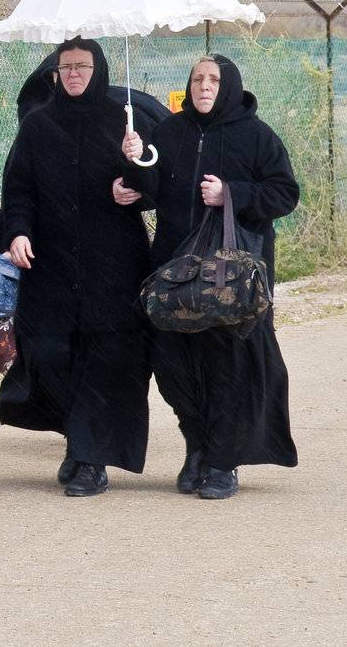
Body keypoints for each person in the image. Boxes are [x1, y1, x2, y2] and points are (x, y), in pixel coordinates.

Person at [123, 54, 300, 500]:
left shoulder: (256, 136)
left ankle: (223, 462)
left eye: (214, 80)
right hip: (174, 272)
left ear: (230, 86)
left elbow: (284, 193)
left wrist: (232, 194)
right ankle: (197, 447)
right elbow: (152, 187)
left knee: (228, 367)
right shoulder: (169, 132)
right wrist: (133, 167)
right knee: (174, 365)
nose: (204, 86)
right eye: (198, 78)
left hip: (231, 275)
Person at [0, 36, 154, 497]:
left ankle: (90, 458)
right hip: (50, 265)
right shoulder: (38, 125)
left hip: (114, 265)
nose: (73, 75)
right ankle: (78, 437)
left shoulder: (124, 123)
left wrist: (137, 172)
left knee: (105, 359)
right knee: (48, 354)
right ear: (55, 74)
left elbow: (151, 186)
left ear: (97, 70)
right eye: (65, 68)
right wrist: (17, 233)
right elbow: (18, 189)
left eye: (82, 67)